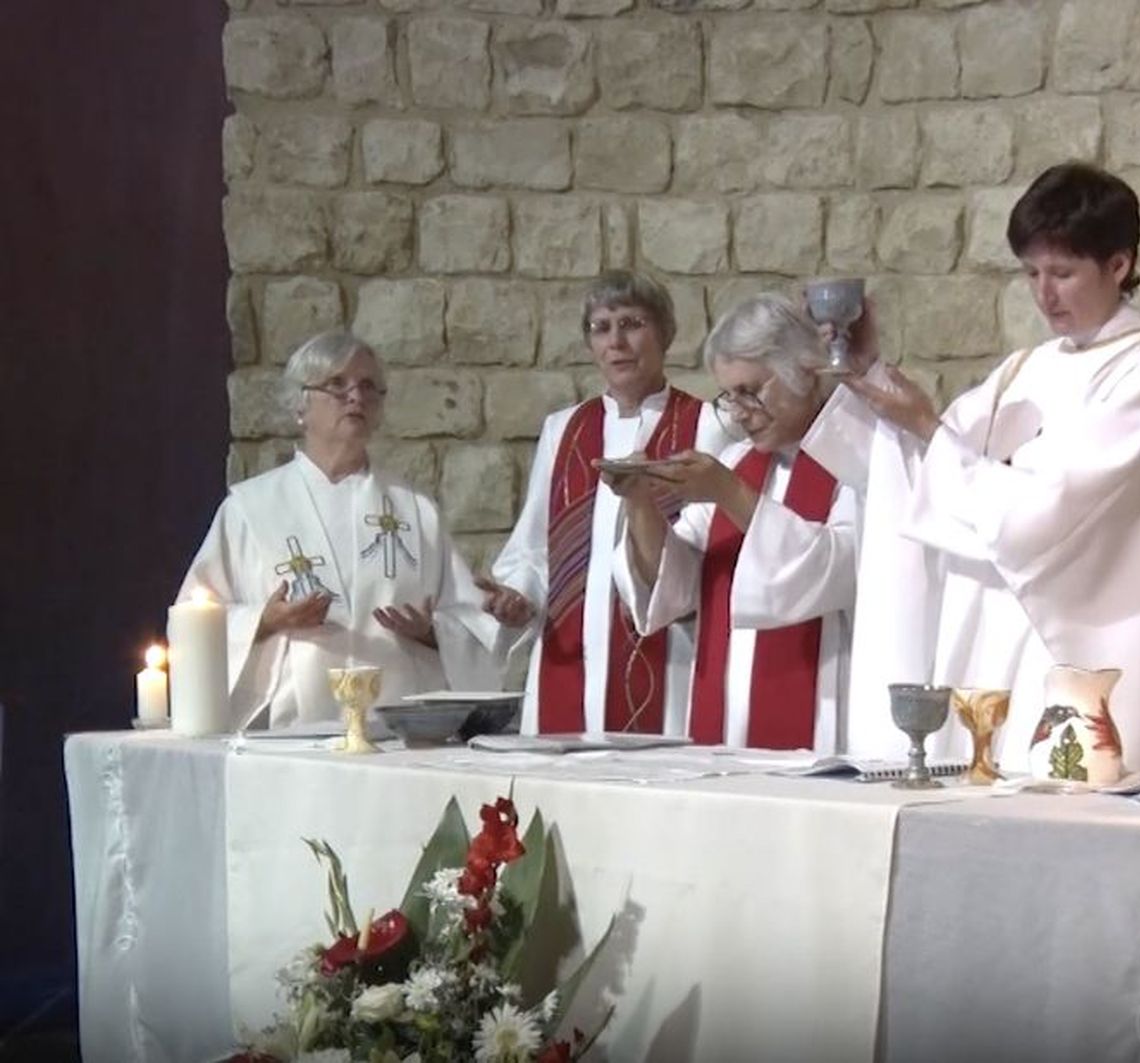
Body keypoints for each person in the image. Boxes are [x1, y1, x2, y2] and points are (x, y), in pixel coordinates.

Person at [806, 161, 1140, 777]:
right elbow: (930, 459)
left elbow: (1051, 510)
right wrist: (867, 369)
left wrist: (928, 429)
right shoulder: (1024, 368)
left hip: (1076, 642)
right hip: (992, 633)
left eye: (1063, 272)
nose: (1044, 292)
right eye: (1032, 272)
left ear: (1120, 265)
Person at [179, 331, 504, 728]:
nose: (356, 396)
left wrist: (433, 631)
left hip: (396, 730)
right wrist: (265, 620)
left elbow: (470, 620)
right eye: (337, 384)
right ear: (301, 406)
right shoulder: (251, 509)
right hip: (291, 730)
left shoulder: (415, 510)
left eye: (369, 387)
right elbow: (196, 620)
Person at [485, 271, 734, 736]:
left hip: (671, 656)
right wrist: (518, 595)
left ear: (664, 333)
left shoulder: (706, 424)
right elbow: (536, 548)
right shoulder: (563, 430)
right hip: (568, 657)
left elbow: (711, 550)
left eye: (632, 323)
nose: (616, 341)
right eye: (602, 327)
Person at [610, 294, 859, 752]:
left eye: (751, 390)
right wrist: (640, 503)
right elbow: (676, 586)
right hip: (725, 725)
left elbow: (834, 570)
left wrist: (729, 492)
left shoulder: (854, 458)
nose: (740, 411)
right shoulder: (738, 460)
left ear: (803, 372)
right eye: (730, 395)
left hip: (822, 717)